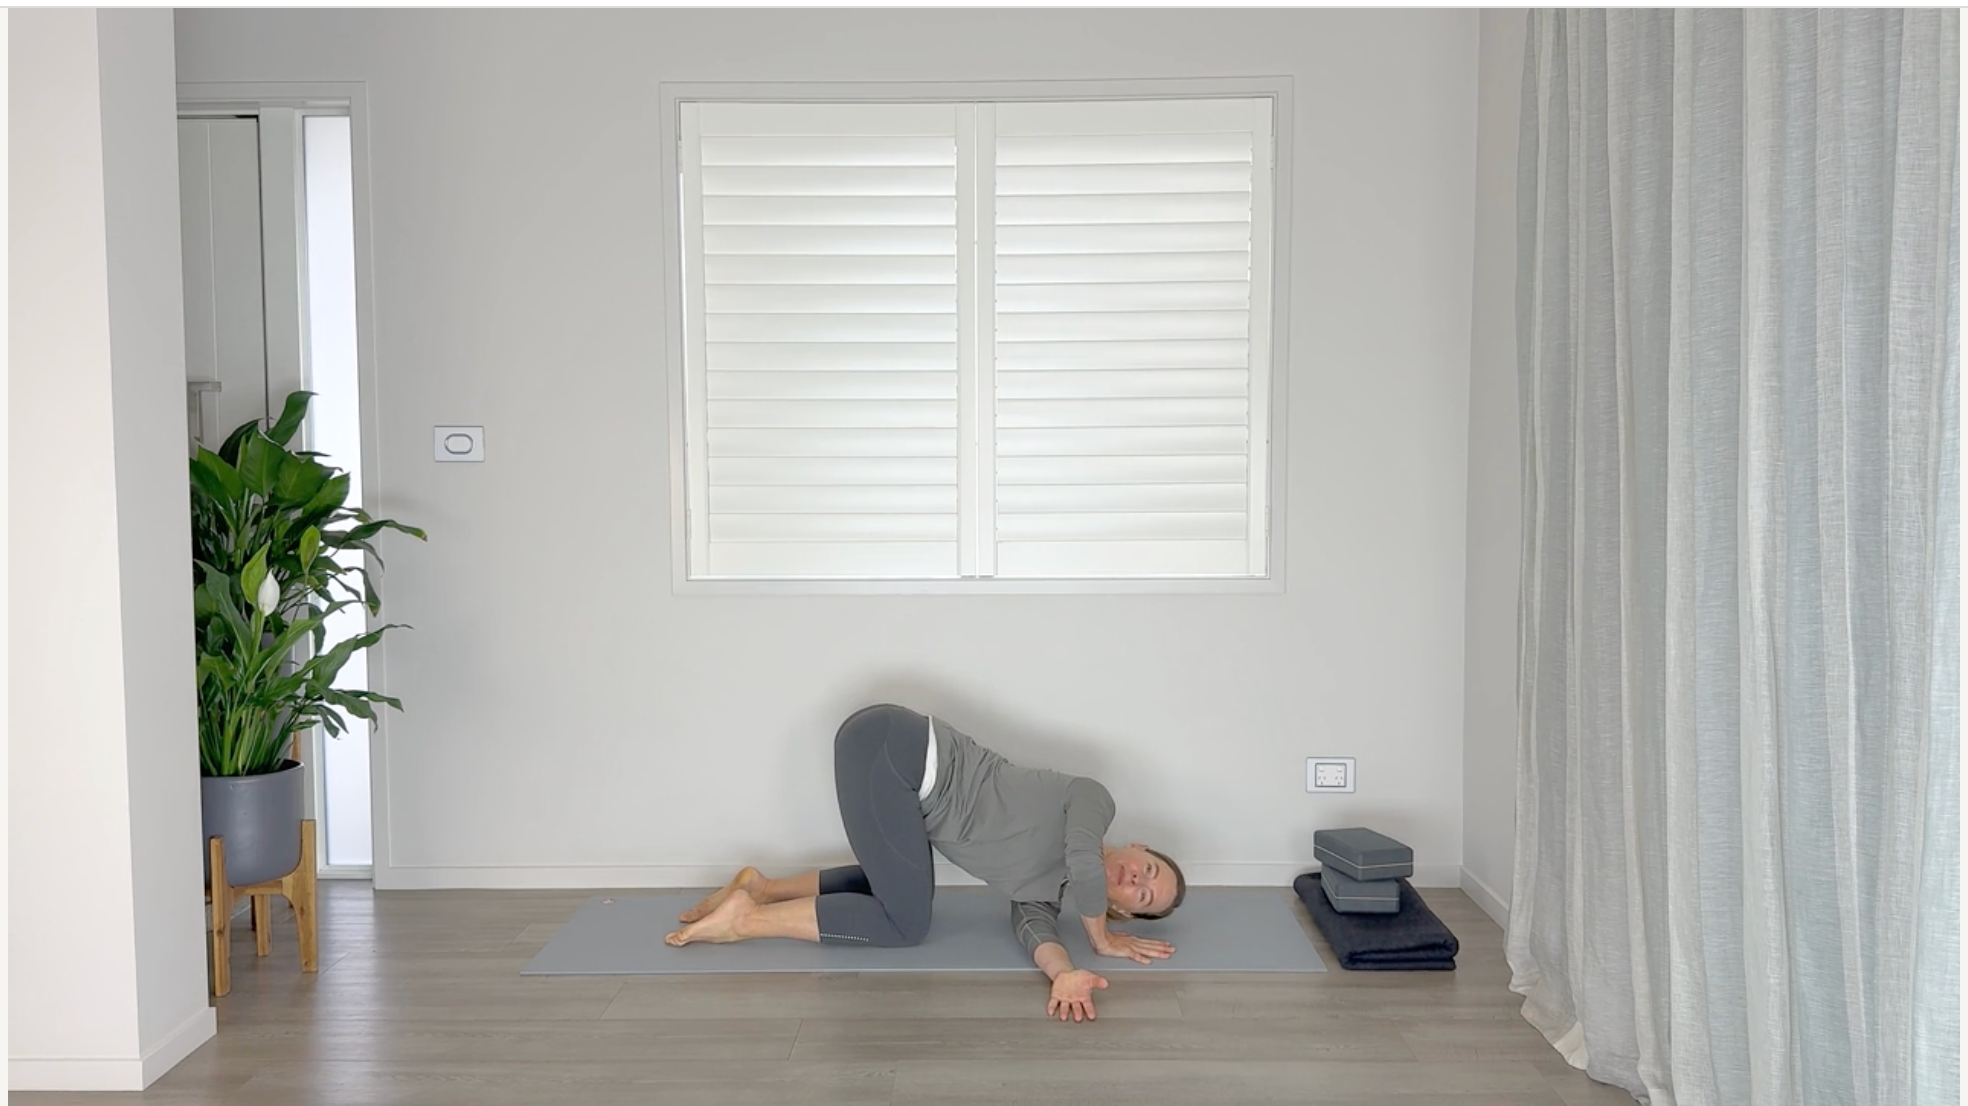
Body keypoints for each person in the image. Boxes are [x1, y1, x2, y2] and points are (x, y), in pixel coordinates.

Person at [665, 702, 1186, 1022]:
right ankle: (747, 920)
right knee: (907, 922)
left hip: (890, 764)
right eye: (1149, 868)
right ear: (1138, 846)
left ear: (1122, 907)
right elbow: (1086, 861)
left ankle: (763, 889)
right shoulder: (1094, 799)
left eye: (1141, 894)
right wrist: (1101, 941)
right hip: (898, 750)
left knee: (900, 887)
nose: (1135, 878)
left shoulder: (1043, 891)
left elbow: (1035, 932)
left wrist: (1065, 973)